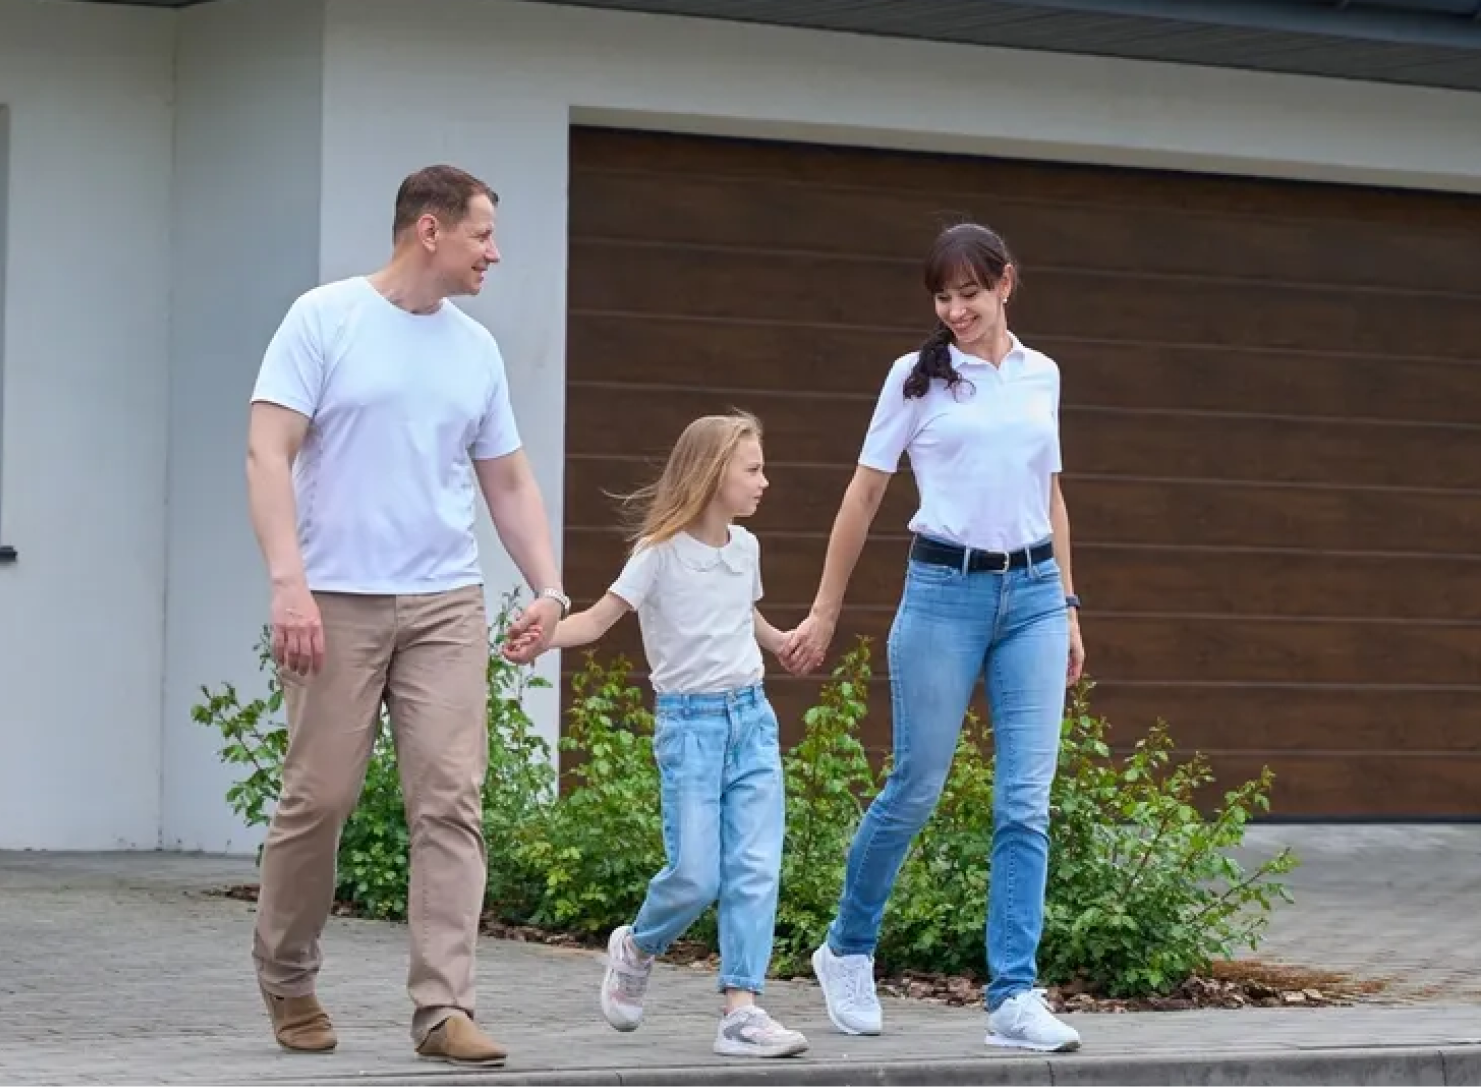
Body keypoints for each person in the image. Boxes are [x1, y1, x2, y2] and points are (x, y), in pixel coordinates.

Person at [241, 164, 568, 1069]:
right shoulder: (324, 318)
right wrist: (287, 583)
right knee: (321, 798)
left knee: (450, 803)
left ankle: (443, 1009)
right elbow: (269, 454)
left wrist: (547, 588)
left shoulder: (475, 349)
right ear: (429, 230)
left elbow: (507, 478)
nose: (493, 253)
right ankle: (288, 973)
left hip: (443, 604)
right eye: (482, 236)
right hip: (333, 598)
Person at [779, 221, 1087, 1053]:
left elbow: (1048, 492)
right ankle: (845, 948)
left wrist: (1066, 602)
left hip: (1029, 598)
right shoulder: (915, 380)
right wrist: (825, 609)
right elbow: (861, 496)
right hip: (942, 594)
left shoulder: (1040, 375)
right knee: (915, 785)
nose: (955, 311)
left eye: (969, 295)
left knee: (1024, 801)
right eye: (943, 298)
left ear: (1006, 285)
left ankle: (1014, 997)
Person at [541, 410, 812, 1060]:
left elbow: (738, 614)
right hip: (689, 729)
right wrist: (539, 637)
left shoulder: (744, 549)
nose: (763, 481)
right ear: (712, 473)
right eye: (751, 469)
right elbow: (598, 621)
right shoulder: (657, 552)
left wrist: (780, 642)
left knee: (753, 869)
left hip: (750, 721)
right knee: (694, 874)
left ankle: (741, 1011)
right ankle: (636, 945)